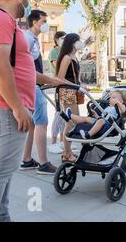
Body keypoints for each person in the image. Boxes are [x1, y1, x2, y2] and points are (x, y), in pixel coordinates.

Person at [0, 0, 65, 222]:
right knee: (0, 169)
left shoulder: (6, 22)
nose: (29, 0)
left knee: (5, 169)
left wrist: (52, 80)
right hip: (5, 107)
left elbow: (19, 67)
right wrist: (17, 107)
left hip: (9, 106)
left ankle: (1, 217)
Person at [20, 10, 58, 175]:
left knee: (33, 125)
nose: (46, 24)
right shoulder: (28, 38)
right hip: (33, 86)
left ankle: (27, 160)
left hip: (33, 86)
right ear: (35, 22)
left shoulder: (31, 39)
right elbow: (24, 66)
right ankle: (44, 163)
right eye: (43, 21)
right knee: (42, 123)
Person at [56, 33, 85, 163]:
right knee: (71, 122)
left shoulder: (74, 57)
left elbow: (73, 77)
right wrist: (76, 86)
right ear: (73, 42)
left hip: (72, 90)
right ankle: (66, 153)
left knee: (74, 122)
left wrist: (80, 85)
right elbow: (61, 79)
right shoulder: (67, 58)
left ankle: (68, 151)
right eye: (78, 40)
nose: (80, 42)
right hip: (68, 91)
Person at [61, 90, 126, 139]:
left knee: (101, 121)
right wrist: (96, 115)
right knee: (87, 118)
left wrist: (118, 103)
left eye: (113, 98)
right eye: (110, 97)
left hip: (109, 124)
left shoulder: (121, 107)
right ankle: (70, 116)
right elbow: (101, 117)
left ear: (121, 100)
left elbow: (123, 111)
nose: (110, 99)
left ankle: (88, 134)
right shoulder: (108, 107)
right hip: (100, 121)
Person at [47, 31, 66, 154]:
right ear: (57, 39)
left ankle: (62, 141)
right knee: (59, 113)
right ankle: (53, 142)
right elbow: (58, 67)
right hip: (58, 85)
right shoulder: (54, 52)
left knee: (65, 115)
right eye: (63, 38)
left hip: (65, 84)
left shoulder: (64, 52)